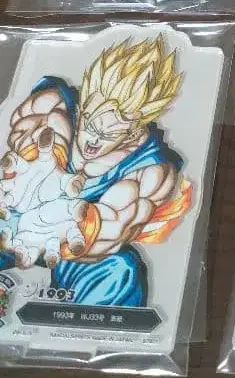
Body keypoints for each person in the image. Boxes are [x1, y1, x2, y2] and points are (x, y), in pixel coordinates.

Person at [0, 36, 188, 306]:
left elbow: (110, 228)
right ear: (82, 107)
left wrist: (65, 222)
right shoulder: (54, 105)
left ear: (134, 132)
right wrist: (41, 161)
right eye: (89, 124)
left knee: (120, 272)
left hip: (72, 244)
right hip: (13, 217)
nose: (92, 141)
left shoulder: (151, 169)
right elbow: (30, 139)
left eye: (109, 134)